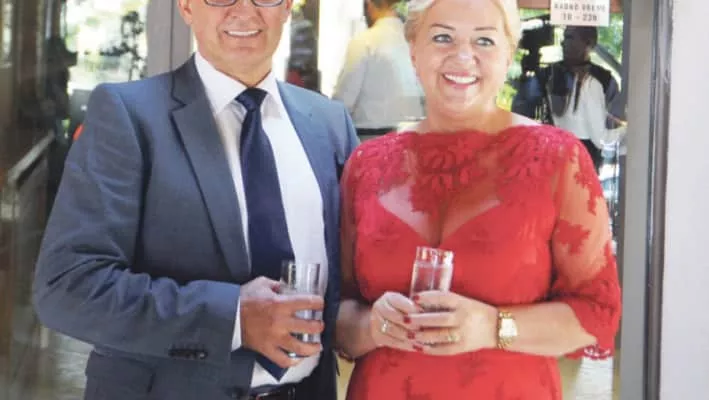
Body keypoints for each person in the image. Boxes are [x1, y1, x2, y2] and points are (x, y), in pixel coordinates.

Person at [32, 0, 358, 399]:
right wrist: (233, 318)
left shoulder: (329, 123)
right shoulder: (128, 116)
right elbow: (67, 286)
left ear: (287, 6)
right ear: (186, 7)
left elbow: (350, 283)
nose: (244, 10)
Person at [335, 0, 622, 399]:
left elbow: (597, 313)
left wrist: (493, 327)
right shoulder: (365, 165)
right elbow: (339, 314)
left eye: (484, 41)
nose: (463, 56)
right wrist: (372, 327)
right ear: (413, 49)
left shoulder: (559, 159)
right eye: (442, 37)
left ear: (508, 54)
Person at [512, 25, 625, 172]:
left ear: (589, 43)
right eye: (565, 37)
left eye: (569, 37)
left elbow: (614, 119)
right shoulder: (547, 75)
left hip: (587, 158)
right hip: (551, 155)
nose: (563, 42)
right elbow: (521, 111)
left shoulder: (603, 80)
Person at [332, 0, 424, 138]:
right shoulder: (416, 43)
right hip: (412, 137)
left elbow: (343, 102)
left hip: (370, 137)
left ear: (369, 4)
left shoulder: (364, 41)